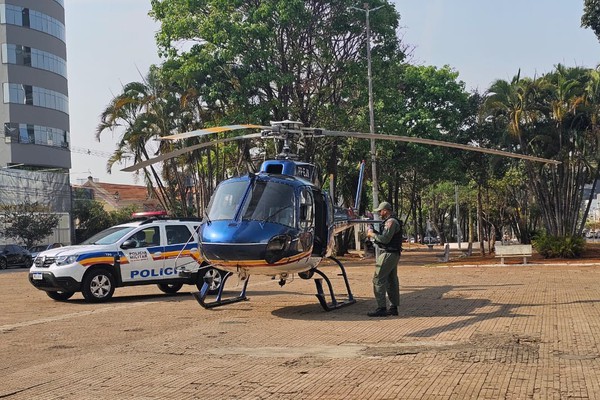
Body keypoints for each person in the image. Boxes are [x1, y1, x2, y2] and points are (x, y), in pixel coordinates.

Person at [366, 201, 402, 317]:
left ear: (385, 211)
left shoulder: (391, 222)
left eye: (380, 211)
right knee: (391, 280)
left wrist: (372, 234)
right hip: (393, 253)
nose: (379, 214)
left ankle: (381, 308)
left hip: (388, 253)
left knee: (378, 279)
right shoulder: (392, 221)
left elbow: (385, 239)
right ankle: (393, 307)